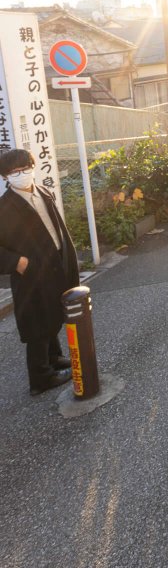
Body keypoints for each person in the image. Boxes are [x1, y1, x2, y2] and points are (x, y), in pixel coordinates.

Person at [0, 149, 78, 396]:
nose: (22, 174)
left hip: (53, 264)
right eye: (15, 172)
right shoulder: (5, 207)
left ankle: (54, 358)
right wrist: (17, 262)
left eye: (26, 168)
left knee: (52, 313)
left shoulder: (42, 192)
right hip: (30, 273)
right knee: (36, 323)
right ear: (6, 177)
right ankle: (41, 377)